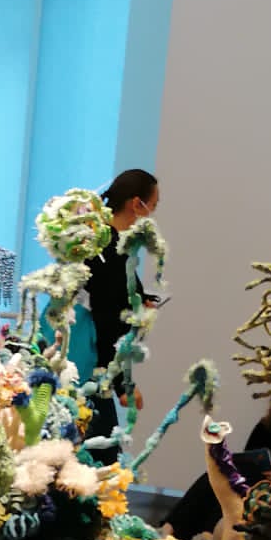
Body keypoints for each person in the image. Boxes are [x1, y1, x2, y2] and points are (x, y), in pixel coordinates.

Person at [164, 386, 271, 540]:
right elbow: (249, 458)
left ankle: (208, 533)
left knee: (233, 485)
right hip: (257, 478)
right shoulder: (266, 425)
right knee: (217, 475)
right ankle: (171, 528)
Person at [81, 167, 159, 432]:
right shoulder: (110, 251)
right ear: (136, 204)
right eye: (152, 206)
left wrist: (140, 300)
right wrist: (123, 386)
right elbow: (107, 318)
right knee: (100, 452)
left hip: (91, 365)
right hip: (91, 368)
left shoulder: (103, 243)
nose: (151, 216)